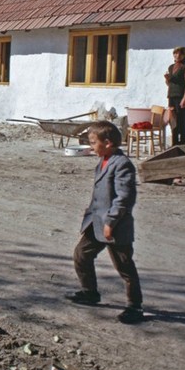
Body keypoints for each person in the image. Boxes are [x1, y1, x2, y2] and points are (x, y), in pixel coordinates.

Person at [67, 120, 145, 324]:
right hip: (96, 222)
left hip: (115, 227)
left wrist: (111, 222)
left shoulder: (122, 164)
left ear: (108, 143)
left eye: (94, 142)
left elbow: (124, 198)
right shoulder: (103, 161)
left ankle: (135, 306)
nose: (91, 146)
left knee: (124, 267)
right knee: (81, 254)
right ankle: (90, 292)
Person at [164, 46, 185, 145]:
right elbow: (169, 84)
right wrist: (167, 79)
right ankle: (174, 143)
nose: (177, 55)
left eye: (180, 54)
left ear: (184, 55)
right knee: (173, 120)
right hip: (171, 96)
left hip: (181, 96)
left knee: (181, 120)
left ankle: (182, 143)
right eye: (175, 53)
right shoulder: (171, 67)